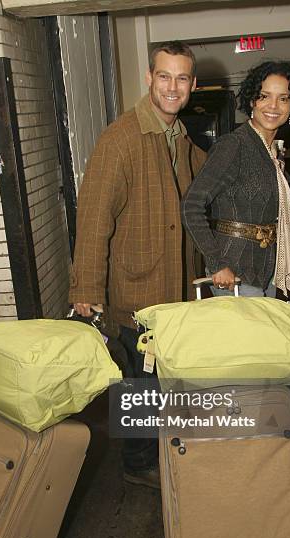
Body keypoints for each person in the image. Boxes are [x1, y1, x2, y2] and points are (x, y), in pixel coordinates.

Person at [69, 41, 206, 488]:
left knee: (166, 381)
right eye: (164, 76)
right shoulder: (120, 139)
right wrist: (85, 290)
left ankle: (165, 448)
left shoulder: (182, 140)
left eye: (181, 78)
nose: (172, 87)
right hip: (136, 293)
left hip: (175, 292)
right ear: (149, 78)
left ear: (192, 84)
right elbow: (93, 221)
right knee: (138, 386)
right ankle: (137, 462)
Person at [181, 60, 290, 298]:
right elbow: (191, 205)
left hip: (268, 268)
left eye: (283, 98)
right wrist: (217, 262)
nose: (273, 106)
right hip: (233, 271)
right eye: (264, 96)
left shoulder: (273, 152)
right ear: (252, 100)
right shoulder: (234, 145)